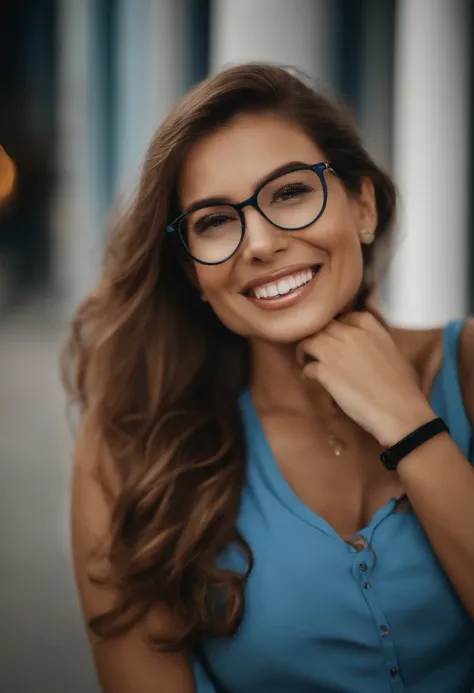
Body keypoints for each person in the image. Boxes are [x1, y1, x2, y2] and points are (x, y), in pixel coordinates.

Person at [66, 63, 474, 693]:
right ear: (193, 273)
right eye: (214, 221)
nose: (258, 243)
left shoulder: (468, 368)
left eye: (289, 192)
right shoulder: (133, 447)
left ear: (362, 206)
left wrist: (410, 424)